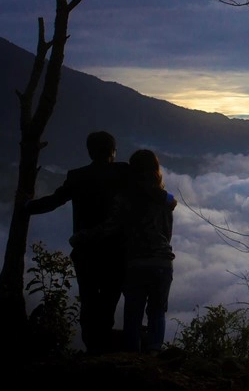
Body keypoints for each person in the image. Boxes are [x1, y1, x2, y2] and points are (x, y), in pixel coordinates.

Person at [26, 131, 129, 354]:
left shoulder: (78, 176)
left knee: (89, 303)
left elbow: (53, 201)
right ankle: (102, 352)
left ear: (90, 152)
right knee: (108, 304)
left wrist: (26, 207)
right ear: (113, 151)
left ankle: (93, 349)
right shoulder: (124, 173)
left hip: (86, 253)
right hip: (116, 254)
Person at [71, 149, 176, 353]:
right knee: (157, 312)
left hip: (135, 263)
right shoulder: (164, 200)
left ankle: (131, 357)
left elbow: (109, 227)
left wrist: (82, 237)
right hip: (163, 262)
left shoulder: (125, 199)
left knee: (133, 313)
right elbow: (167, 233)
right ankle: (154, 354)